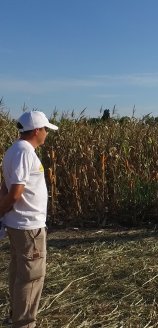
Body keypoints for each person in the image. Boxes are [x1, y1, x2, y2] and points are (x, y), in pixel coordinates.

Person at [0, 111, 58, 327]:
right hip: (28, 227)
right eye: (45, 130)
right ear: (36, 130)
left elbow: (4, 185)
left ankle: (15, 316)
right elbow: (14, 192)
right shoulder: (25, 152)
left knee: (18, 272)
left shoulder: (14, 150)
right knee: (31, 277)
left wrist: (4, 212)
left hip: (18, 224)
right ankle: (24, 323)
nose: (46, 134)